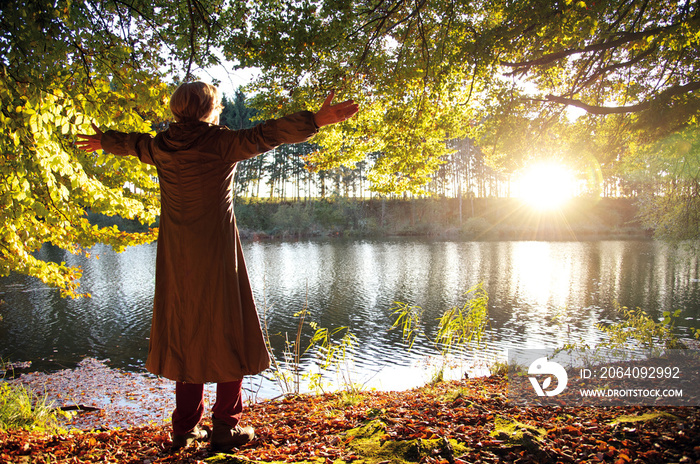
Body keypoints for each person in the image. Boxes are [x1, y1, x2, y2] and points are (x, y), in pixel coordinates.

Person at [76, 82, 359, 451]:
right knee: (230, 329)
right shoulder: (220, 143)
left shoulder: (162, 146)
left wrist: (104, 141)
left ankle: (183, 431)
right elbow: (266, 134)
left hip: (177, 256)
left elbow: (134, 144)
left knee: (185, 329)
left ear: (178, 111)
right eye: (218, 106)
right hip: (216, 251)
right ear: (209, 109)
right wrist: (315, 120)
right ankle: (225, 427)